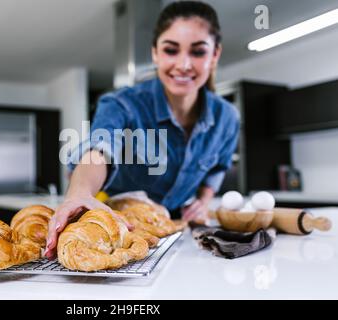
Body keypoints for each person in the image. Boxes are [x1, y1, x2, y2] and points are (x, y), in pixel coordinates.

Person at [45, 1, 240, 259]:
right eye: (171, 50)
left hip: (178, 237)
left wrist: (202, 201)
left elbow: (218, 168)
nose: (183, 64)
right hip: (121, 233)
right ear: (155, 54)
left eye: (198, 52)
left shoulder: (227, 118)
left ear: (214, 54)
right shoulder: (122, 105)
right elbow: (100, 147)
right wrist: (80, 193)